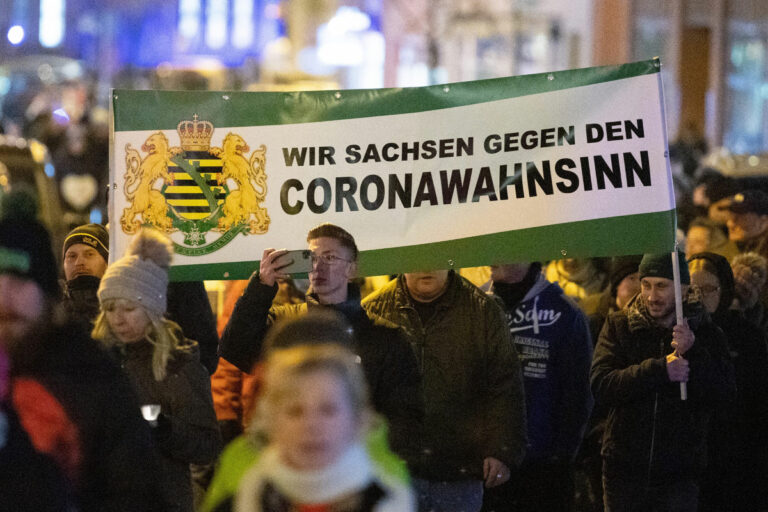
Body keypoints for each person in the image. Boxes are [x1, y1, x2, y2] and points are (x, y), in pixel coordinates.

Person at [0, 188, 163, 511]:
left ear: (48, 296)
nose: (5, 294)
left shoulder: (93, 378)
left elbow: (134, 492)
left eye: (19, 281)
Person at [219, 223, 422, 463]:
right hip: (292, 467)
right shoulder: (286, 326)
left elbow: (404, 418)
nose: (319, 267)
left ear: (352, 268)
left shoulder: (385, 336)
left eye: (330, 257)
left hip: (356, 470)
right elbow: (235, 348)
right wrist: (261, 287)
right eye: (312, 258)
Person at [362, 269, 526, 512]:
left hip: (459, 469)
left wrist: (501, 450)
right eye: (420, 256)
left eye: (437, 257)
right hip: (395, 469)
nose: (428, 266)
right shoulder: (373, 310)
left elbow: (504, 383)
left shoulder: (482, 311)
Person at [590, 251, 735, 511]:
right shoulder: (619, 326)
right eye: (646, 285)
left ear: (683, 289)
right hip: (624, 469)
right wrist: (659, 370)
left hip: (678, 472)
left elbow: (724, 392)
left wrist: (694, 352)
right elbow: (602, 384)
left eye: (662, 286)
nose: (652, 296)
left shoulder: (705, 331)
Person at [93, 228, 221, 512]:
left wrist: (164, 428)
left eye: (128, 309)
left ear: (151, 310)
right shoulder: (99, 363)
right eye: (110, 309)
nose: (118, 319)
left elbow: (207, 445)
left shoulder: (178, 364)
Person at [232, 344, 414, 512]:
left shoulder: (388, 501)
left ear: (357, 419)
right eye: (295, 411)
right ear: (272, 421)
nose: (311, 424)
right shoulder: (243, 499)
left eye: (328, 410)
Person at [482, 262, 592, 512]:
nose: (491, 259)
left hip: (541, 467)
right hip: (487, 464)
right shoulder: (477, 305)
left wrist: (560, 459)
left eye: (501, 247)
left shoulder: (564, 312)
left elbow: (577, 395)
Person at [61, 222, 220, 374]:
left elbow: (202, 353)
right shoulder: (56, 315)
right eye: (71, 256)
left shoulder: (142, 304)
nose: (79, 262)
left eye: (89, 254)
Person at [688, 253, 768, 512]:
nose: (699, 296)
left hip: (736, 457)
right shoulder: (675, 334)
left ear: (725, 290)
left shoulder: (747, 337)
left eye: (708, 288)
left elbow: (757, 403)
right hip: (687, 461)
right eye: (692, 289)